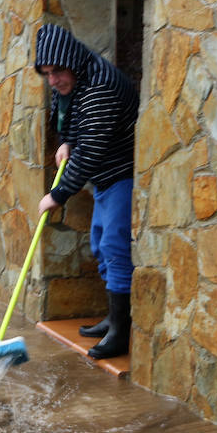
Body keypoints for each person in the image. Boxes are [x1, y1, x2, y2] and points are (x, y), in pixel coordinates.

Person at [34, 23, 139, 359]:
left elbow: (92, 149)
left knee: (115, 246)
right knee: (99, 243)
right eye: (46, 73)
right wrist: (67, 140)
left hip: (123, 172)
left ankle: (122, 332)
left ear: (72, 63)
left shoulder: (99, 88)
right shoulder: (72, 79)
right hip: (105, 178)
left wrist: (58, 194)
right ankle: (112, 318)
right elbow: (70, 115)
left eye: (57, 72)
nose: (53, 80)